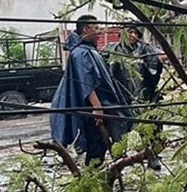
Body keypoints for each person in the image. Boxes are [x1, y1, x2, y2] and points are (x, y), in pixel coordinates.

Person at [50, 15, 131, 166]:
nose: (99, 32)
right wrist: (97, 107)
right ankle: (92, 181)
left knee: (103, 146)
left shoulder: (88, 51)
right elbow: (86, 82)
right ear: (86, 29)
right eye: (96, 28)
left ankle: (99, 179)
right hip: (94, 111)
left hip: (102, 108)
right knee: (96, 148)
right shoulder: (81, 53)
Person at [103, 24, 164, 169]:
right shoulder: (112, 49)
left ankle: (152, 156)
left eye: (135, 32)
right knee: (118, 131)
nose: (132, 35)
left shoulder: (145, 49)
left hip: (144, 98)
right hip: (119, 99)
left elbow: (155, 70)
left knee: (151, 129)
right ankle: (119, 161)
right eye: (129, 32)